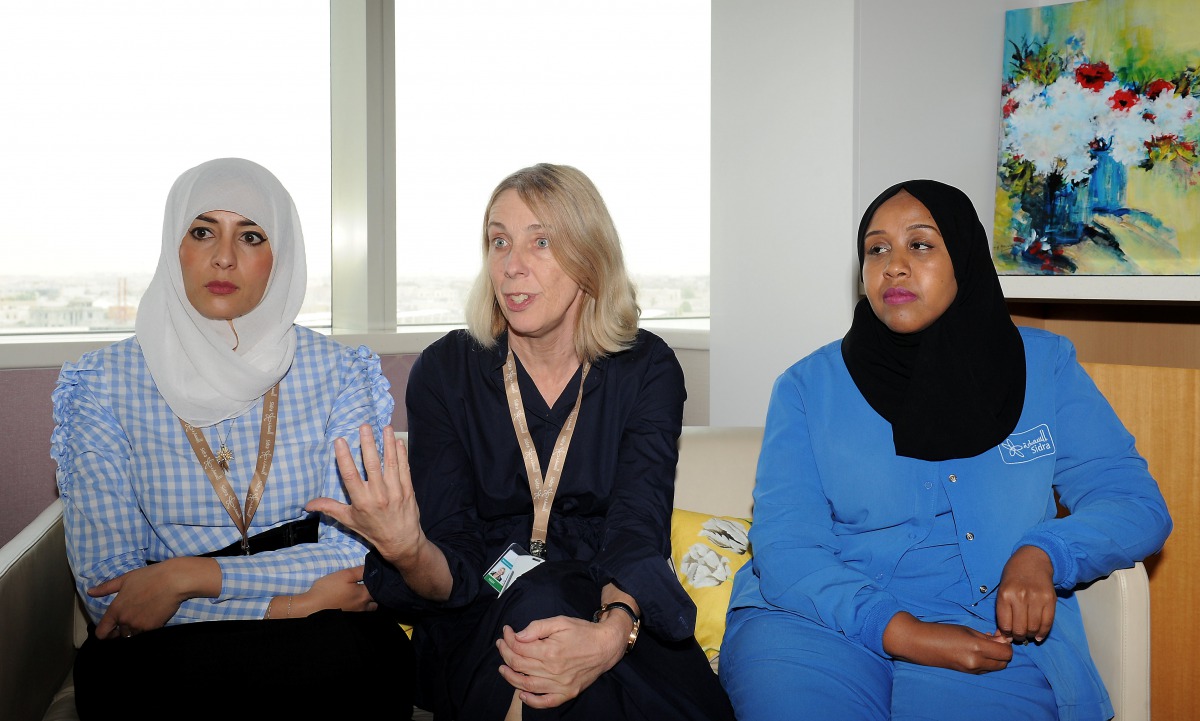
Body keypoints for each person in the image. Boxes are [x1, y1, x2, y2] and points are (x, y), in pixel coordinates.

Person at [718, 179, 1172, 721]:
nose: (894, 266)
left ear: (965, 258)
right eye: (877, 249)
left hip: (990, 631)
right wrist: (901, 630)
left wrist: (1046, 553)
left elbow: (1133, 502)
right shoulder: (806, 387)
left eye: (922, 244)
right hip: (816, 623)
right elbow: (788, 547)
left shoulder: (1045, 367)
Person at [309, 163, 735, 721]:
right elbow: (450, 563)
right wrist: (408, 550)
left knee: (580, 654)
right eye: (499, 241)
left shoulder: (647, 368)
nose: (511, 266)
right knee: (544, 607)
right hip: (483, 611)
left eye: (540, 242)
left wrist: (609, 638)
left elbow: (637, 530)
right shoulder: (446, 372)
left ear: (589, 257)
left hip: (615, 604)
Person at [51, 158, 414, 719]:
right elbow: (112, 594)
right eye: (202, 232)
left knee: (353, 665)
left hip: (323, 644)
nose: (224, 257)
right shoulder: (103, 384)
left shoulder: (338, 374)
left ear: (281, 258)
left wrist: (186, 577)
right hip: (169, 653)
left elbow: (351, 558)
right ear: (175, 247)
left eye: (250, 236)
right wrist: (292, 605)